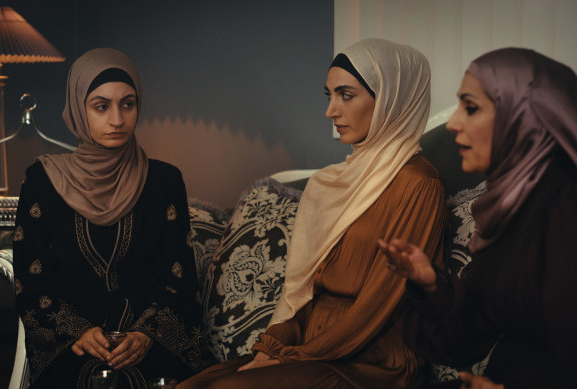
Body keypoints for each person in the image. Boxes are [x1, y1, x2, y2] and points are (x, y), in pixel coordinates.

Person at [177, 38, 447, 389]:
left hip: (374, 357)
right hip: (310, 342)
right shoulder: (332, 183)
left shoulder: (419, 185)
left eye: (346, 95)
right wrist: (273, 346)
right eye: (329, 95)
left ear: (391, 99)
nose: (331, 111)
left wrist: (292, 358)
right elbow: (304, 292)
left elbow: (379, 305)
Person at [378, 48, 577, 389]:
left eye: (470, 107)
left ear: (524, 118)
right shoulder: (511, 208)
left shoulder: (566, 207)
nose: (453, 123)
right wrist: (429, 284)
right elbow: (467, 339)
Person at [12, 48, 203, 388]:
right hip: (70, 344)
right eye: (101, 106)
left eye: (127, 104)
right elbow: (32, 283)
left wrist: (145, 335)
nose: (117, 119)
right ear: (77, 108)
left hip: (147, 340)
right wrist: (79, 333)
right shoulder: (41, 181)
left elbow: (179, 281)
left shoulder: (164, 181)